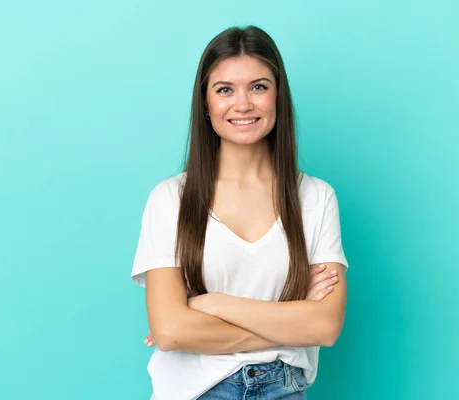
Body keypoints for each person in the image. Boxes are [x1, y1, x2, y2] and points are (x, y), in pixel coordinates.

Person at [131, 25, 349, 400]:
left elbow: (326, 326)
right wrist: (291, 321)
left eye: (259, 86)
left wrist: (210, 304)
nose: (243, 104)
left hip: (285, 390)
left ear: (278, 95)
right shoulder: (170, 199)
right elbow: (170, 331)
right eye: (225, 89)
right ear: (205, 102)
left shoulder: (316, 197)